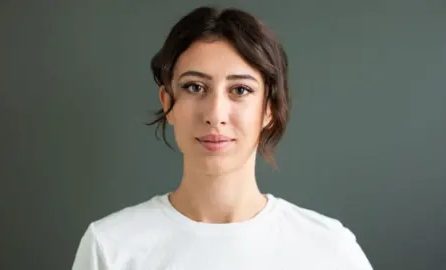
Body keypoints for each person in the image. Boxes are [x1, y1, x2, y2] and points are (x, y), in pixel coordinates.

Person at [71, 6, 373, 270]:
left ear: (269, 108)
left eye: (240, 90)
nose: (215, 114)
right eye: (194, 87)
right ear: (167, 102)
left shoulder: (328, 250)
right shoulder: (111, 248)